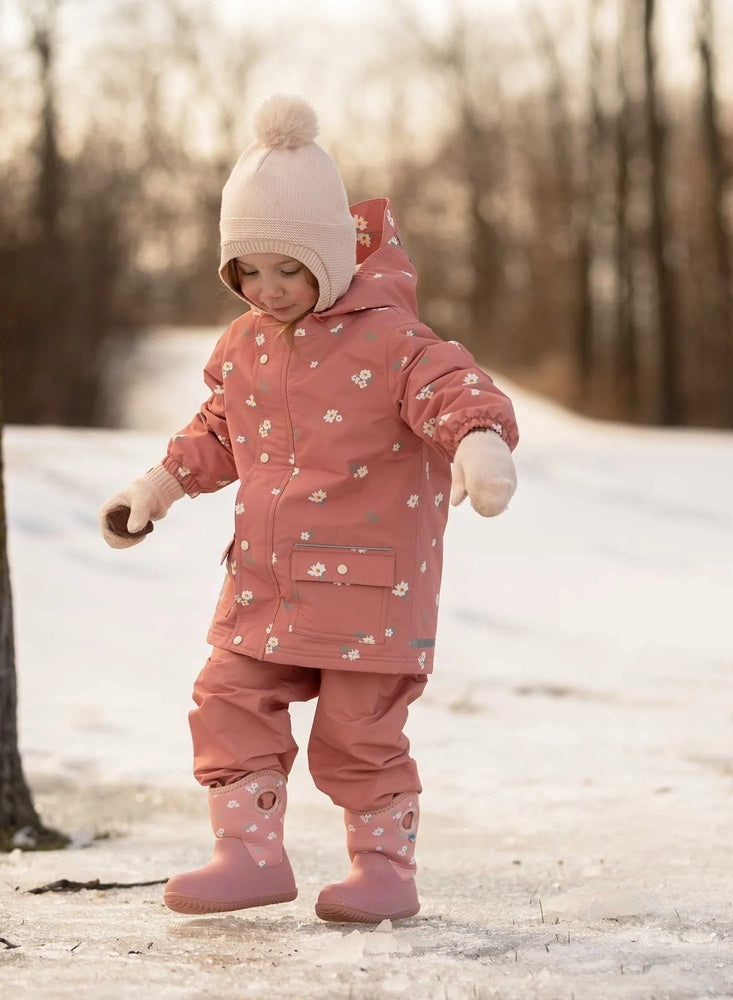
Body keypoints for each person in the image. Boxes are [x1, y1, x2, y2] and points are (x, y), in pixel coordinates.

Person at [99, 95, 519, 923]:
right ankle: (247, 853)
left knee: (357, 735)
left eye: (287, 269)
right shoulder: (245, 342)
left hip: (371, 584)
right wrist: (154, 489)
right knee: (227, 697)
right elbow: (218, 430)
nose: (266, 289)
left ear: (330, 255)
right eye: (246, 272)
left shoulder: (390, 337)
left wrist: (478, 443)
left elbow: (451, 386)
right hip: (268, 577)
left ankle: (384, 870)